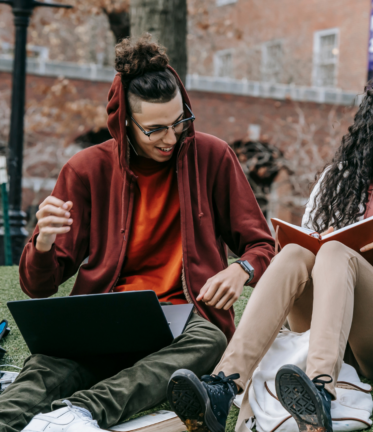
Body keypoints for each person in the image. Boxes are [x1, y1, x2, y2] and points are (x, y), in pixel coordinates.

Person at [166, 60, 373, 432]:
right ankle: (223, 385)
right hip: (326, 327)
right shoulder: (338, 179)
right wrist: (320, 242)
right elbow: (306, 254)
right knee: (300, 251)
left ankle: (320, 390)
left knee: (334, 252)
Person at [1, 35, 275, 432]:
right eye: (156, 129)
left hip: (184, 317)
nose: (172, 137)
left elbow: (261, 243)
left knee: (212, 341)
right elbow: (37, 286)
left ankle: (80, 413)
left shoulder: (213, 156)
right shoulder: (85, 169)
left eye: (180, 121)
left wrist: (241, 270)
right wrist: (42, 243)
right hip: (105, 313)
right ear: (125, 123)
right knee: (44, 369)